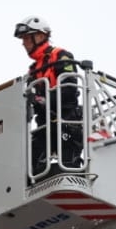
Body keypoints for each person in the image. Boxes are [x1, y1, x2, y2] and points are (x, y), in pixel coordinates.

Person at [14, 16, 83, 175]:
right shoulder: (33, 69)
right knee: (31, 166)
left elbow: (70, 88)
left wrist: (45, 100)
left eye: (26, 37)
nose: (23, 43)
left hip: (66, 120)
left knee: (68, 165)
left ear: (40, 36)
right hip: (44, 124)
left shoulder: (60, 55)